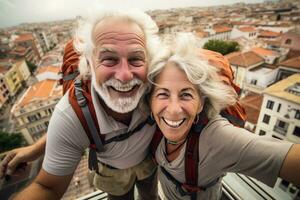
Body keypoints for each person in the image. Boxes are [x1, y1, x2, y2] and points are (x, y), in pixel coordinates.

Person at [5, 7, 161, 200]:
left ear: (150, 62)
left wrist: (34, 149)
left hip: (147, 164)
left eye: (136, 59)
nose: (124, 76)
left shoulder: (159, 88)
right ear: (88, 63)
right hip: (112, 172)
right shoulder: (71, 113)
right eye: (109, 59)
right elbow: (47, 187)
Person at [146, 33, 300, 200]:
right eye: (162, 94)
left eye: (186, 95)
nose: (174, 110)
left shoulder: (216, 138)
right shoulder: (151, 125)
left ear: (201, 104)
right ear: (150, 101)